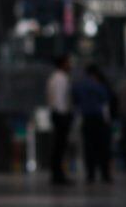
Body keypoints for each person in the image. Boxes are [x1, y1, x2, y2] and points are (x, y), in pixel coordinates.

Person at [73, 64, 112, 184]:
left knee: (88, 147)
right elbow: (106, 98)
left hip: (86, 118)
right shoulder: (98, 85)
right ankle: (105, 174)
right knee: (102, 147)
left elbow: (75, 99)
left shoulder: (79, 86)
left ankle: (90, 174)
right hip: (99, 118)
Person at [46, 54, 73, 185]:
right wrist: (64, 116)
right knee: (59, 146)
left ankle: (57, 173)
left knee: (58, 146)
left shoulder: (54, 77)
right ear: (63, 64)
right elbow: (60, 99)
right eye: (68, 62)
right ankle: (58, 175)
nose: (70, 65)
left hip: (57, 114)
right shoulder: (61, 78)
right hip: (60, 114)